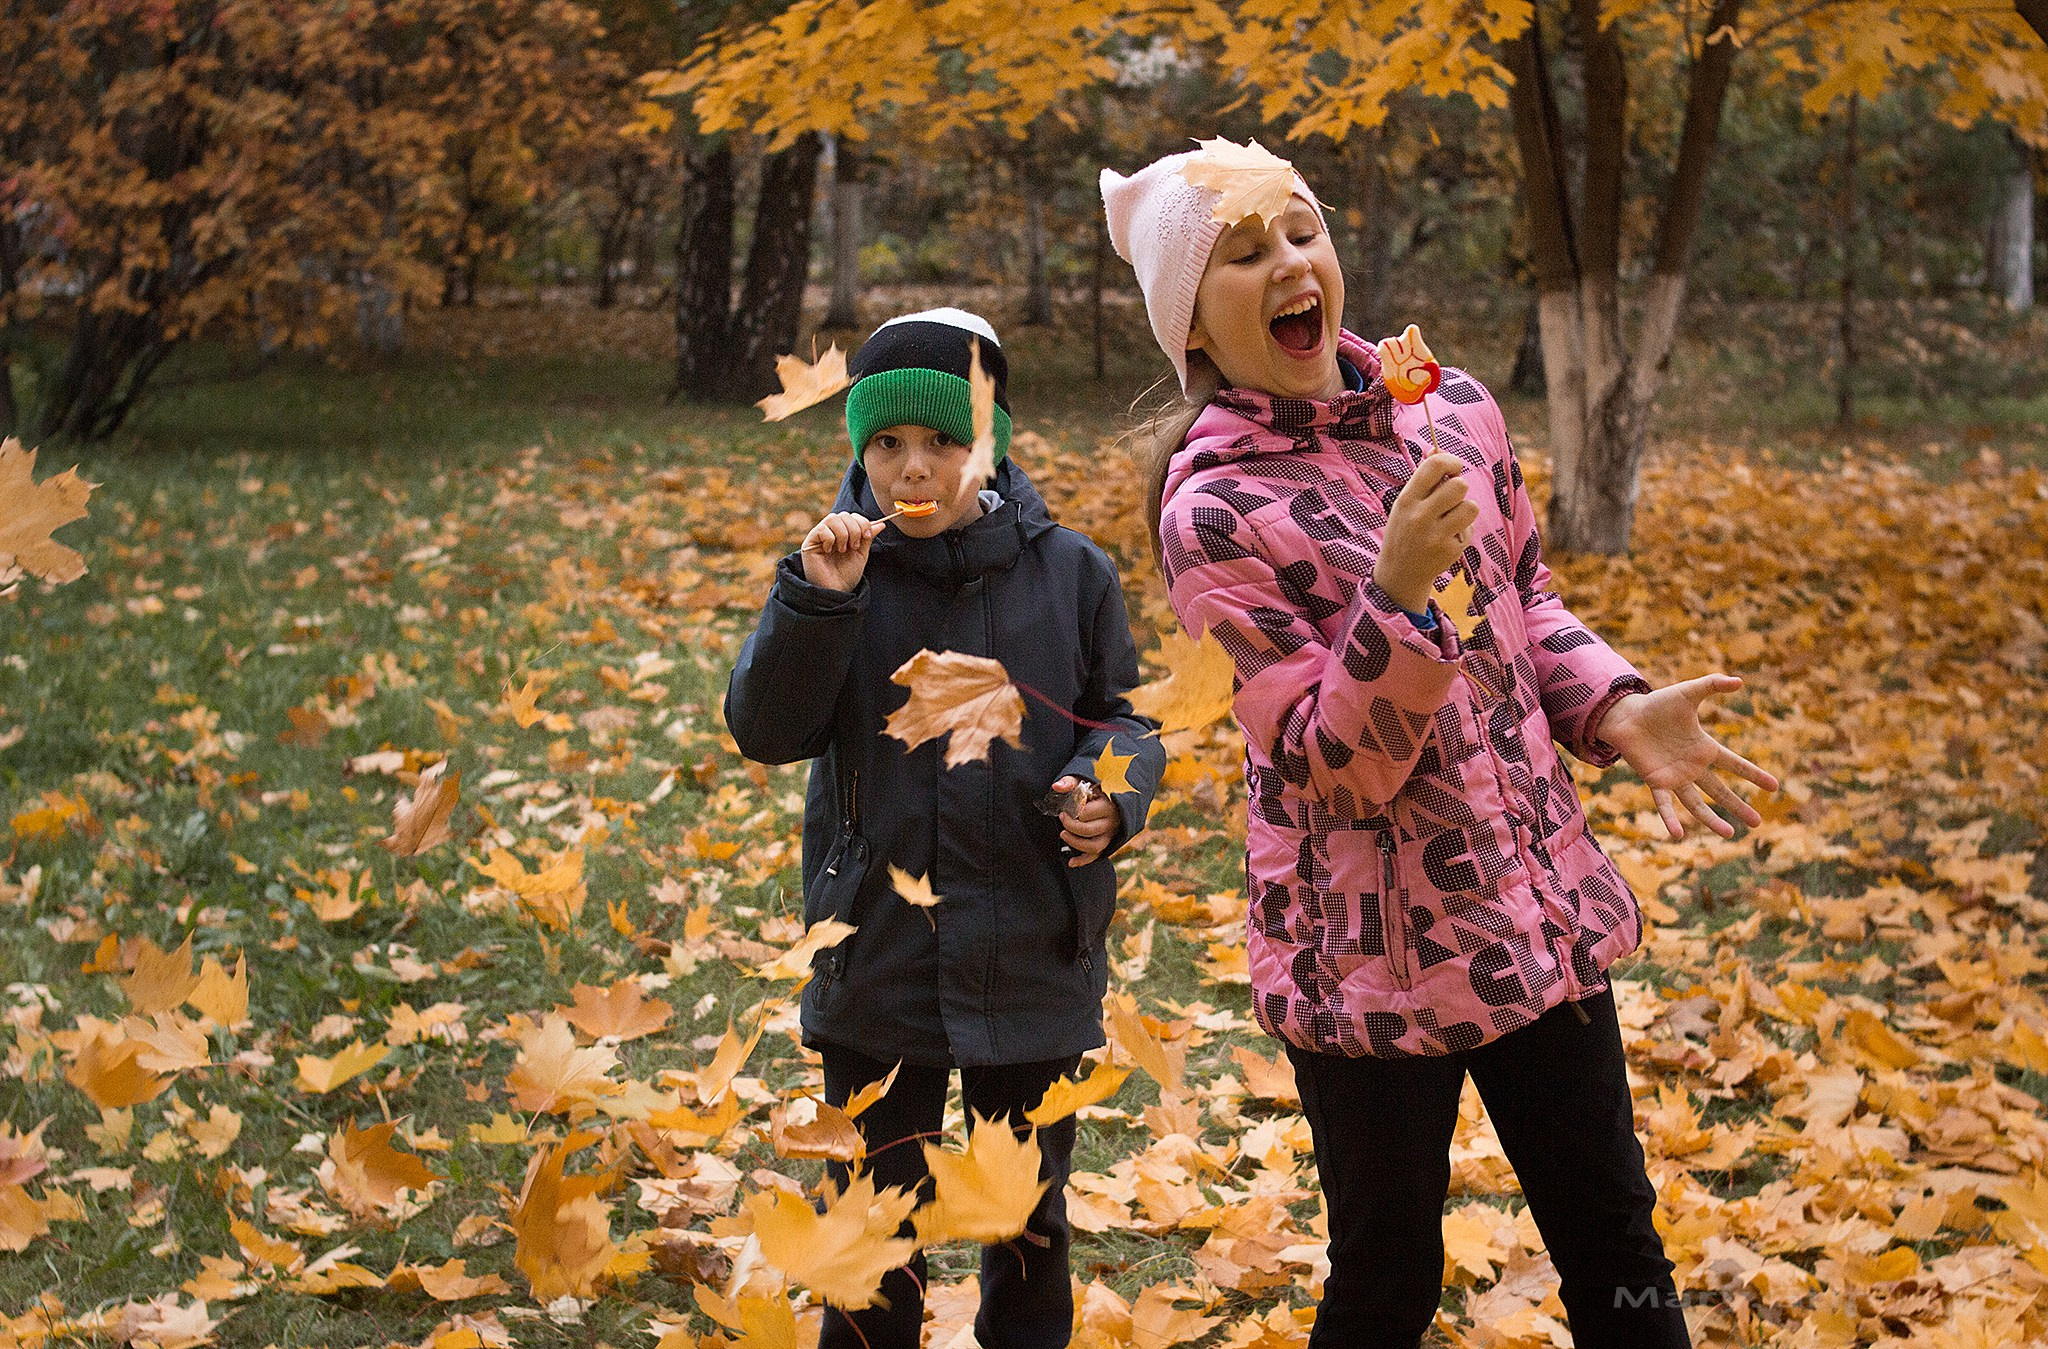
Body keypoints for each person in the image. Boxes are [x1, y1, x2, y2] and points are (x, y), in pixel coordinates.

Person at [1099, 150, 1777, 1348]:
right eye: (1244, 255)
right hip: (1364, 959)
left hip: (1529, 910)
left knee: (1615, 1243)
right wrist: (1397, 594)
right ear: (1190, 326)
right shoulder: (1210, 514)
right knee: (1387, 1277)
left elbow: (1524, 595)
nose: (1290, 265)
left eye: (1300, 232)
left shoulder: (1453, 408)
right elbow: (1330, 763)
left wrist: (1610, 705)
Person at [724, 307, 1165, 1349]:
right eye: (886, 444)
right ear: (859, 451)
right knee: (872, 1229)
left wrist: (1110, 791)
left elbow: (1125, 717)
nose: (912, 468)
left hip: (1031, 949)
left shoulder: (1069, 573)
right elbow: (764, 727)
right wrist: (816, 604)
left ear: (991, 445)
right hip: (878, 951)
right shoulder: (835, 574)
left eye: (943, 441)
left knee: (1023, 1222)